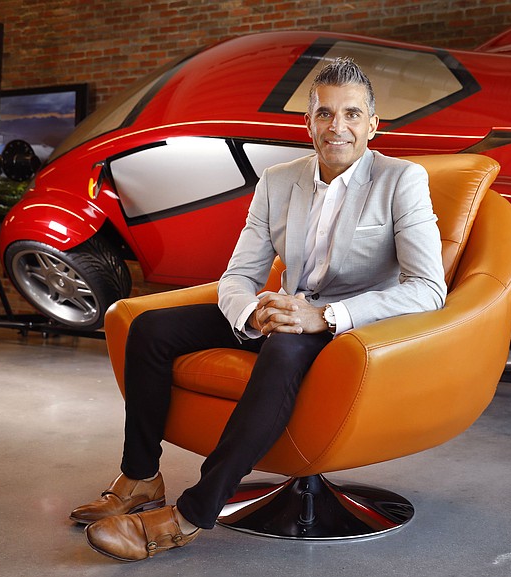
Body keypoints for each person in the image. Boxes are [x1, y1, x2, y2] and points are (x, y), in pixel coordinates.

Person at [71, 57, 447, 562]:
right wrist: (251, 313)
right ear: (307, 123)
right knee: (150, 330)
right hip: (284, 312)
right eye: (326, 114)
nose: (339, 127)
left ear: (373, 124)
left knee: (286, 349)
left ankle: (188, 516)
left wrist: (325, 317)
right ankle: (140, 478)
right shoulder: (277, 180)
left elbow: (427, 289)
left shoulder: (402, 180)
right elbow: (239, 274)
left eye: (353, 114)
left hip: (352, 326)